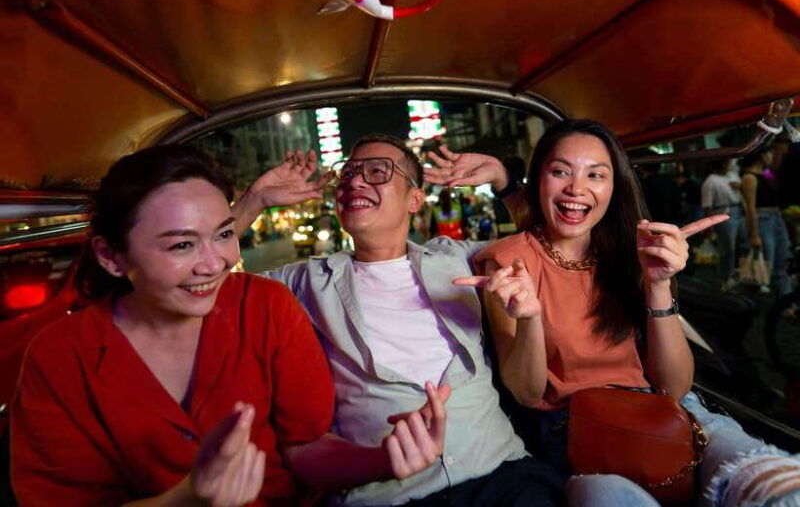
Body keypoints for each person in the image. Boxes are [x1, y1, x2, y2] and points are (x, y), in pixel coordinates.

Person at [11, 145, 449, 506]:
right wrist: (187, 499)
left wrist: (383, 460)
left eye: (224, 234)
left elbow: (305, 449)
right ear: (110, 256)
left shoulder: (266, 306)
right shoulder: (60, 356)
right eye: (182, 244)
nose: (214, 264)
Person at [429, 120, 800, 507]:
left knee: (773, 479)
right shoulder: (508, 263)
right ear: (539, 178)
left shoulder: (629, 251)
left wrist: (657, 284)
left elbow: (675, 388)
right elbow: (527, 392)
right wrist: (529, 318)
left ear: (613, 187)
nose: (577, 188)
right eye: (560, 171)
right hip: (579, 432)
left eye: (596, 175)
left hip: (667, 413)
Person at [233, 135, 563, 506]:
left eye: (377, 171)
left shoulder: (458, 258)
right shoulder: (304, 281)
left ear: (414, 200)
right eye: (347, 175)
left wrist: (504, 182)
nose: (355, 182)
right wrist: (253, 201)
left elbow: (551, 243)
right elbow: (208, 276)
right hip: (389, 495)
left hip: (500, 474)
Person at [740, 145, 794, 297]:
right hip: (762, 220)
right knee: (767, 260)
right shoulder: (749, 177)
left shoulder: (767, 173)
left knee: (783, 256)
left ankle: (785, 297)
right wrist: (754, 235)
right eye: (770, 154)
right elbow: (750, 209)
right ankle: (764, 298)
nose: (772, 157)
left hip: (776, 218)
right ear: (762, 155)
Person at [701, 159, 747, 291]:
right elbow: (707, 206)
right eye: (727, 163)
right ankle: (726, 278)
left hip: (738, 210)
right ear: (722, 164)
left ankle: (738, 272)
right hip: (723, 213)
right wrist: (708, 225)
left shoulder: (731, 175)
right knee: (727, 248)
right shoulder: (711, 181)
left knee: (742, 243)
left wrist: (740, 187)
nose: (730, 165)